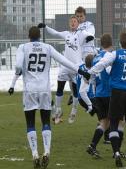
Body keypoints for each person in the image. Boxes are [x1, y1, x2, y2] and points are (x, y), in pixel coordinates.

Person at [11, 26, 89, 169]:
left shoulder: (23, 47)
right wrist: (80, 70)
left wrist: (18, 72)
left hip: (30, 91)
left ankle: (35, 154)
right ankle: (46, 152)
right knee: (46, 122)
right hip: (44, 90)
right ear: (40, 36)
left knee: (30, 124)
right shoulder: (47, 47)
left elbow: (17, 65)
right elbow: (64, 60)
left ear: (29, 36)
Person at [88, 32, 126, 167]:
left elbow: (103, 64)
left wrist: (90, 72)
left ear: (120, 43)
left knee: (113, 123)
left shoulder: (116, 54)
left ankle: (117, 153)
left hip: (117, 93)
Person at [38, 16, 93, 124]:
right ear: (69, 23)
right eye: (71, 21)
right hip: (64, 67)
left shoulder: (81, 33)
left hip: (76, 67)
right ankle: (58, 111)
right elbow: (55, 33)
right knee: (60, 88)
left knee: (76, 91)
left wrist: (90, 36)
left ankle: (74, 110)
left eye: (75, 21)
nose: (73, 23)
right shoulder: (66, 34)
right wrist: (45, 26)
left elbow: (89, 35)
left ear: (78, 24)